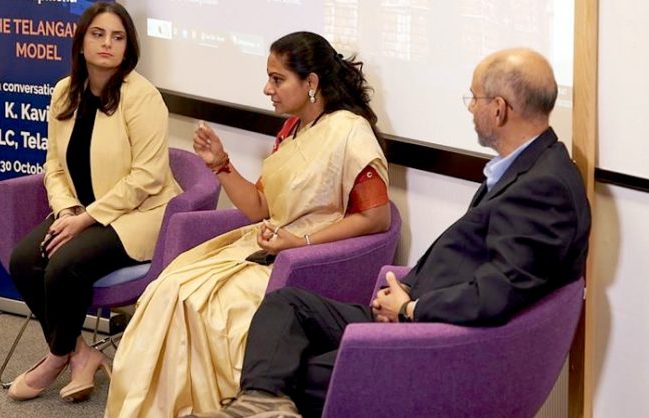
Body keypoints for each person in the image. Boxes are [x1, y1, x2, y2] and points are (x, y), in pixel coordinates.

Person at [186, 48, 592, 418]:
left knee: (295, 371)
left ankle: (263, 403)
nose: (470, 110)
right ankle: (261, 406)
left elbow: (498, 292)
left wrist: (411, 309)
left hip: (434, 335)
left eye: (474, 99)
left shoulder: (544, 186)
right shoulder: (530, 168)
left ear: (500, 110)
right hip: (411, 307)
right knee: (286, 306)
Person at [105, 31, 391, 417]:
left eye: (277, 79)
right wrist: (220, 164)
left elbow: (377, 218)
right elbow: (259, 207)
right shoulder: (292, 130)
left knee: (212, 308)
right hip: (264, 246)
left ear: (310, 83)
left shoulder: (349, 132)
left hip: (305, 261)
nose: (266, 88)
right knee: (169, 287)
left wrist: (301, 242)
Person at [6, 2, 181, 403]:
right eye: (98, 34)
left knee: (64, 266)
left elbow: (148, 177)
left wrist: (87, 218)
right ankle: (79, 354)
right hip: (81, 212)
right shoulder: (65, 91)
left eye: (118, 37)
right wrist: (67, 209)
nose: (107, 44)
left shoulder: (143, 97)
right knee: (25, 260)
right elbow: (53, 164)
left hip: (138, 215)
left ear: (128, 47)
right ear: (81, 43)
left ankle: (53, 358)